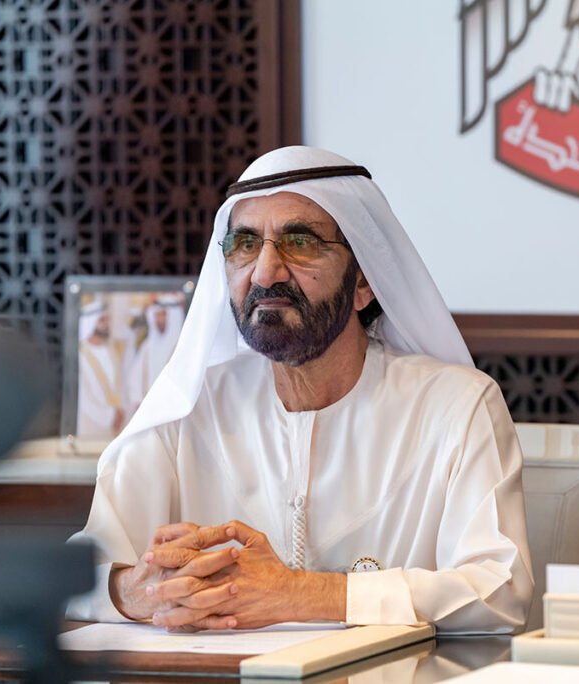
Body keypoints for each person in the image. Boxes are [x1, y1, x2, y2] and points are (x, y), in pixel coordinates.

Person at [68, 146, 534, 634]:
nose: (265, 272)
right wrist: (138, 591)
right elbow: (79, 576)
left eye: (300, 242)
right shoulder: (188, 409)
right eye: (245, 244)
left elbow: (500, 590)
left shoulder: (456, 406)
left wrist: (302, 594)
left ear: (363, 283)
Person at [76, 296, 134, 437]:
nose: (106, 324)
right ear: (90, 323)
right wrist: (109, 416)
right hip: (93, 425)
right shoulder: (80, 355)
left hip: (119, 423)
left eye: (107, 320)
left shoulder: (111, 350)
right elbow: (83, 397)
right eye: (102, 320)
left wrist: (122, 412)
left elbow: (121, 385)